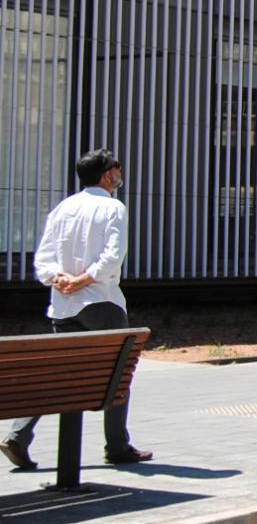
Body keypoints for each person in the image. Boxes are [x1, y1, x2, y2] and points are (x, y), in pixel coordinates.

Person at [2, 149, 152, 471]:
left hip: (63, 305)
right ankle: (117, 446)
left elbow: (43, 259)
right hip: (101, 301)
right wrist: (84, 279)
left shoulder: (63, 208)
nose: (120, 171)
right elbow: (113, 256)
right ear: (107, 175)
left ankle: (18, 435)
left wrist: (59, 279)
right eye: (117, 167)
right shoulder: (113, 207)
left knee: (60, 373)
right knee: (119, 371)